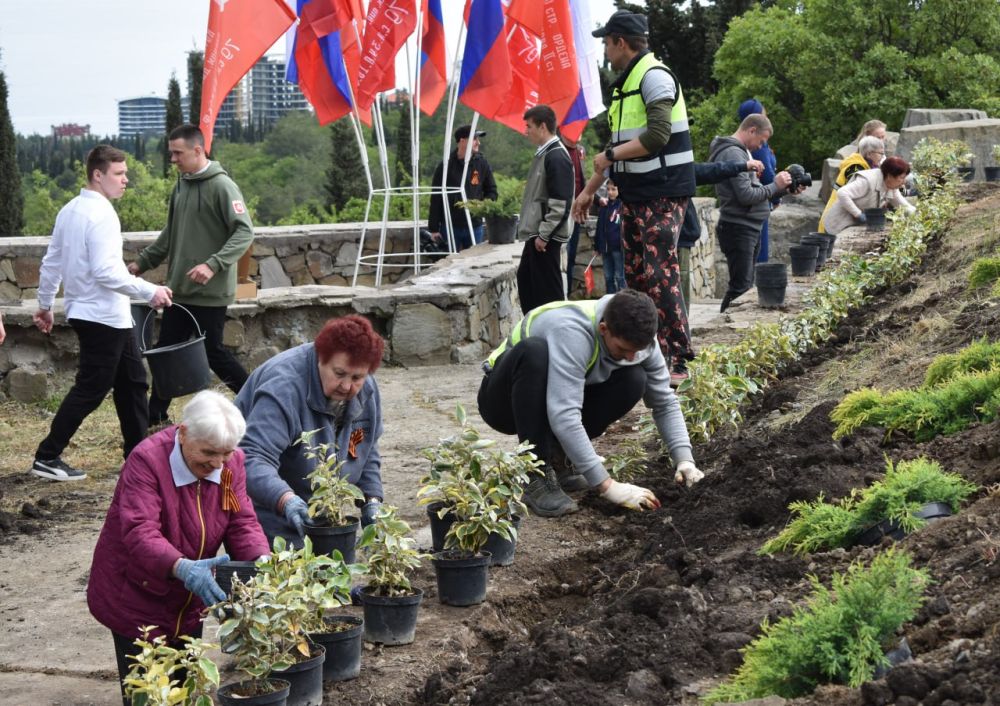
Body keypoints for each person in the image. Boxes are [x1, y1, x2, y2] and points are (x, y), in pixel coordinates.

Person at [87, 390, 269, 705]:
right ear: (183, 434)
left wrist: (260, 560)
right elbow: (139, 530)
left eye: (225, 454)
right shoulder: (147, 461)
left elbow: (240, 521)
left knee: (184, 687)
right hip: (136, 596)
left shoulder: (230, 464)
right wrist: (181, 566)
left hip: (188, 600)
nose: (217, 464)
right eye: (208, 452)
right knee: (149, 694)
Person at [478, 289, 704, 518]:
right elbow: (565, 415)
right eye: (623, 349)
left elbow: (664, 402)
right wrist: (608, 486)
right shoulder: (571, 331)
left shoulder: (641, 339)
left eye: (636, 351)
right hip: (504, 403)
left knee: (634, 378)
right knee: (535, 352)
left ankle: (560, 459)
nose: (630, 356)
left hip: (553, 397)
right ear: (603, 329)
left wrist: (685, 461)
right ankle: (535, 473)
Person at [31, 145, 173, 482]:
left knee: (133, 383)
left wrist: (45, 304)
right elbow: (106, 272)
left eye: (125, 174)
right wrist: (149, 291)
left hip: (102, 314)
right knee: (92, 387)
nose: (125, 180)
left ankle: (138, 458)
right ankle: (47, 456)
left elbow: (52, 262)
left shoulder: (69, 210)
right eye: (119, 174)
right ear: (98, 175)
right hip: (101, 316)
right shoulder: (102, 214)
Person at [571, 9, 696, 381]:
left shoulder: (654, 76)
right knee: (636, 277)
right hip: (635, 194)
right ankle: (646, 352)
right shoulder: (625, 86)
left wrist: (609, 156)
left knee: (660, 274)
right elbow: (619, 147)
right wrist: (588, 191)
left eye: (607, 43)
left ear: (620, 42)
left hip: (663, 192)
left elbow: (656, 135)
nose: (605, 51)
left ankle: (680, 357)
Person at [128, 123, 253, 428]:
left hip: (210, 291)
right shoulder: (181, 185)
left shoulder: (223, 186)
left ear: (198, 150)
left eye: (177, 153)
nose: (172, 159)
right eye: (171, 153)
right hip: (180, 289)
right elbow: (171, 234)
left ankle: (258, 400)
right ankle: (155, 417)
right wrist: (141, 263)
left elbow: (244, 232)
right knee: (165, 351)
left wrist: (212, 264)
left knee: (213, 352)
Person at [236, 315, 385, 544]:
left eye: (357, 377)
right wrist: (286, 500)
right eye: (339, 374)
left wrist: (372, 500)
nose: (347, 386)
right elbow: (251, 458)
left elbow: (364, 446)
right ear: (320, 359)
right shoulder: (284, 387)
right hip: (263, 508)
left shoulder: (366, 389)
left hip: (319, 511)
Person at [674, 157, 764, 382]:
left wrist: (741, 166)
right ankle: (677, 357)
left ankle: (679, 353)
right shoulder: (668, 163)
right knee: (677, 302)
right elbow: (706, 171)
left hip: (678, 236)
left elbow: (707, 171)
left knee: (679, 303)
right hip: (674, 238)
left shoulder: (672, 162)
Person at [709, 113, 795, 312]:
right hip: (738, 228)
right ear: (752, 130)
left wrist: (785, 189)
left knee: (744, 285)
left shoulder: (742, 152)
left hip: (747, 226)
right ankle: (725, 325)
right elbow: (746, 195)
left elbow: (755, 191)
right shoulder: (733, 153)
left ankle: (727, 323)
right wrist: (775, 185)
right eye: (761, 141)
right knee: (739, 288)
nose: (761, 146)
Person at [517, 104, 574, 314]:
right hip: (538, 233)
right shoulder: (546, 153)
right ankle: (535, 328)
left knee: (548, 293)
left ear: (542, 127)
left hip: (545, 237)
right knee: (527, 283)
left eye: (529, 126)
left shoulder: (556, 156)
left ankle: (556, 329)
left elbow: (561, 203)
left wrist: (544, 235)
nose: (526, 131)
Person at [427, 124, 498, 251]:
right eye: (474, 139)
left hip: (475, 225)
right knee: (450, 261)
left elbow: (492, 191)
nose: (478, 143)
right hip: (450, 226)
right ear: (462, 141)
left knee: (474, 261)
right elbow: (436, 197)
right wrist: (433, 229)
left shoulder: (482, 163)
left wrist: (483, 205)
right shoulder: (445, 166)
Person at [821, 156, 915, 236]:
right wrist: (858, 214)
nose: (904, 182)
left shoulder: (891, 186)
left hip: (853, 227)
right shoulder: (868, 181)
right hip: (837, 224)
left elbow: (904, 206)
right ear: (889, 176)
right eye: (902, 178)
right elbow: (842, 193)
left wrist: (918, 215)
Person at [737, 99, 779, 263]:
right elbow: (767, 174)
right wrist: (776, 195)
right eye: (763, 115)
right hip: (758, 201)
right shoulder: (758, 146)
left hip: (757, 200)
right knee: (758, 254)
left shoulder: (747, 144)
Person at [818, 135, 886, 232]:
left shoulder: (867, 166)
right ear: (869, 154)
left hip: (844, 216)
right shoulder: (855, 168)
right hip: (835, 219)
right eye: (881, 153)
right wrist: (859, 214)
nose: (883, 157)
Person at [561, 133, 586, 294]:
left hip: (577, 211)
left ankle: (568, 292)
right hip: (563, 212)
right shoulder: (558, 149)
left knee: (571, 257)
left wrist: (595, 199)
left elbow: (582, 180)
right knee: (563, 255)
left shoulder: (580, 150)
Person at [595, 180, 626, 294]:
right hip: (605, 248)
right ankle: (610, 300)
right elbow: (599, 227)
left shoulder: (622, 206)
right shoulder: (604, 206)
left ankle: (623, 300)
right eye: (608, 189)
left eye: (613, 189)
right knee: (608, 277)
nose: (610, 192)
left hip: (618, 248)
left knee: (620, 276)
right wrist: (597, 246)